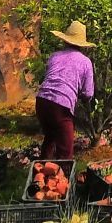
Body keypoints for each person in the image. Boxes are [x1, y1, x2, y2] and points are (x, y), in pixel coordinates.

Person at [34, 21, 96, 161]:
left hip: (42, 101)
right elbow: (88, 93)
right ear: (82, 45)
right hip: (61, 105)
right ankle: (61, 178)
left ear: (65, 41)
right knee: (65, 151)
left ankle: (41, 173)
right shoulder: (85, 62)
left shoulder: (54, 56)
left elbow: (49, 77)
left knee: (50, 137)